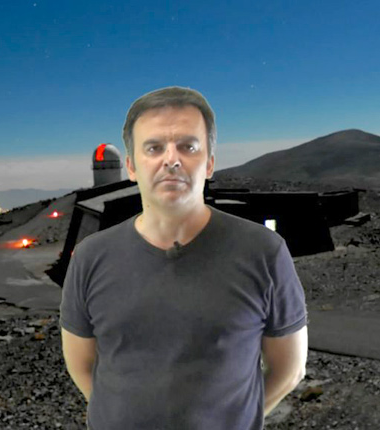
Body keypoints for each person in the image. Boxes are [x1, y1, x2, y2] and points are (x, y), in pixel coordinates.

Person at [60, 86, 308, 429]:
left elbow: (290, 370)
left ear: (209, 163)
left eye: (188, 147)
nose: (171, 160)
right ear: (131, 165)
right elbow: (81, 367)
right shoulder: (91, 257)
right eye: (154, 148)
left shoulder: (264, 252)